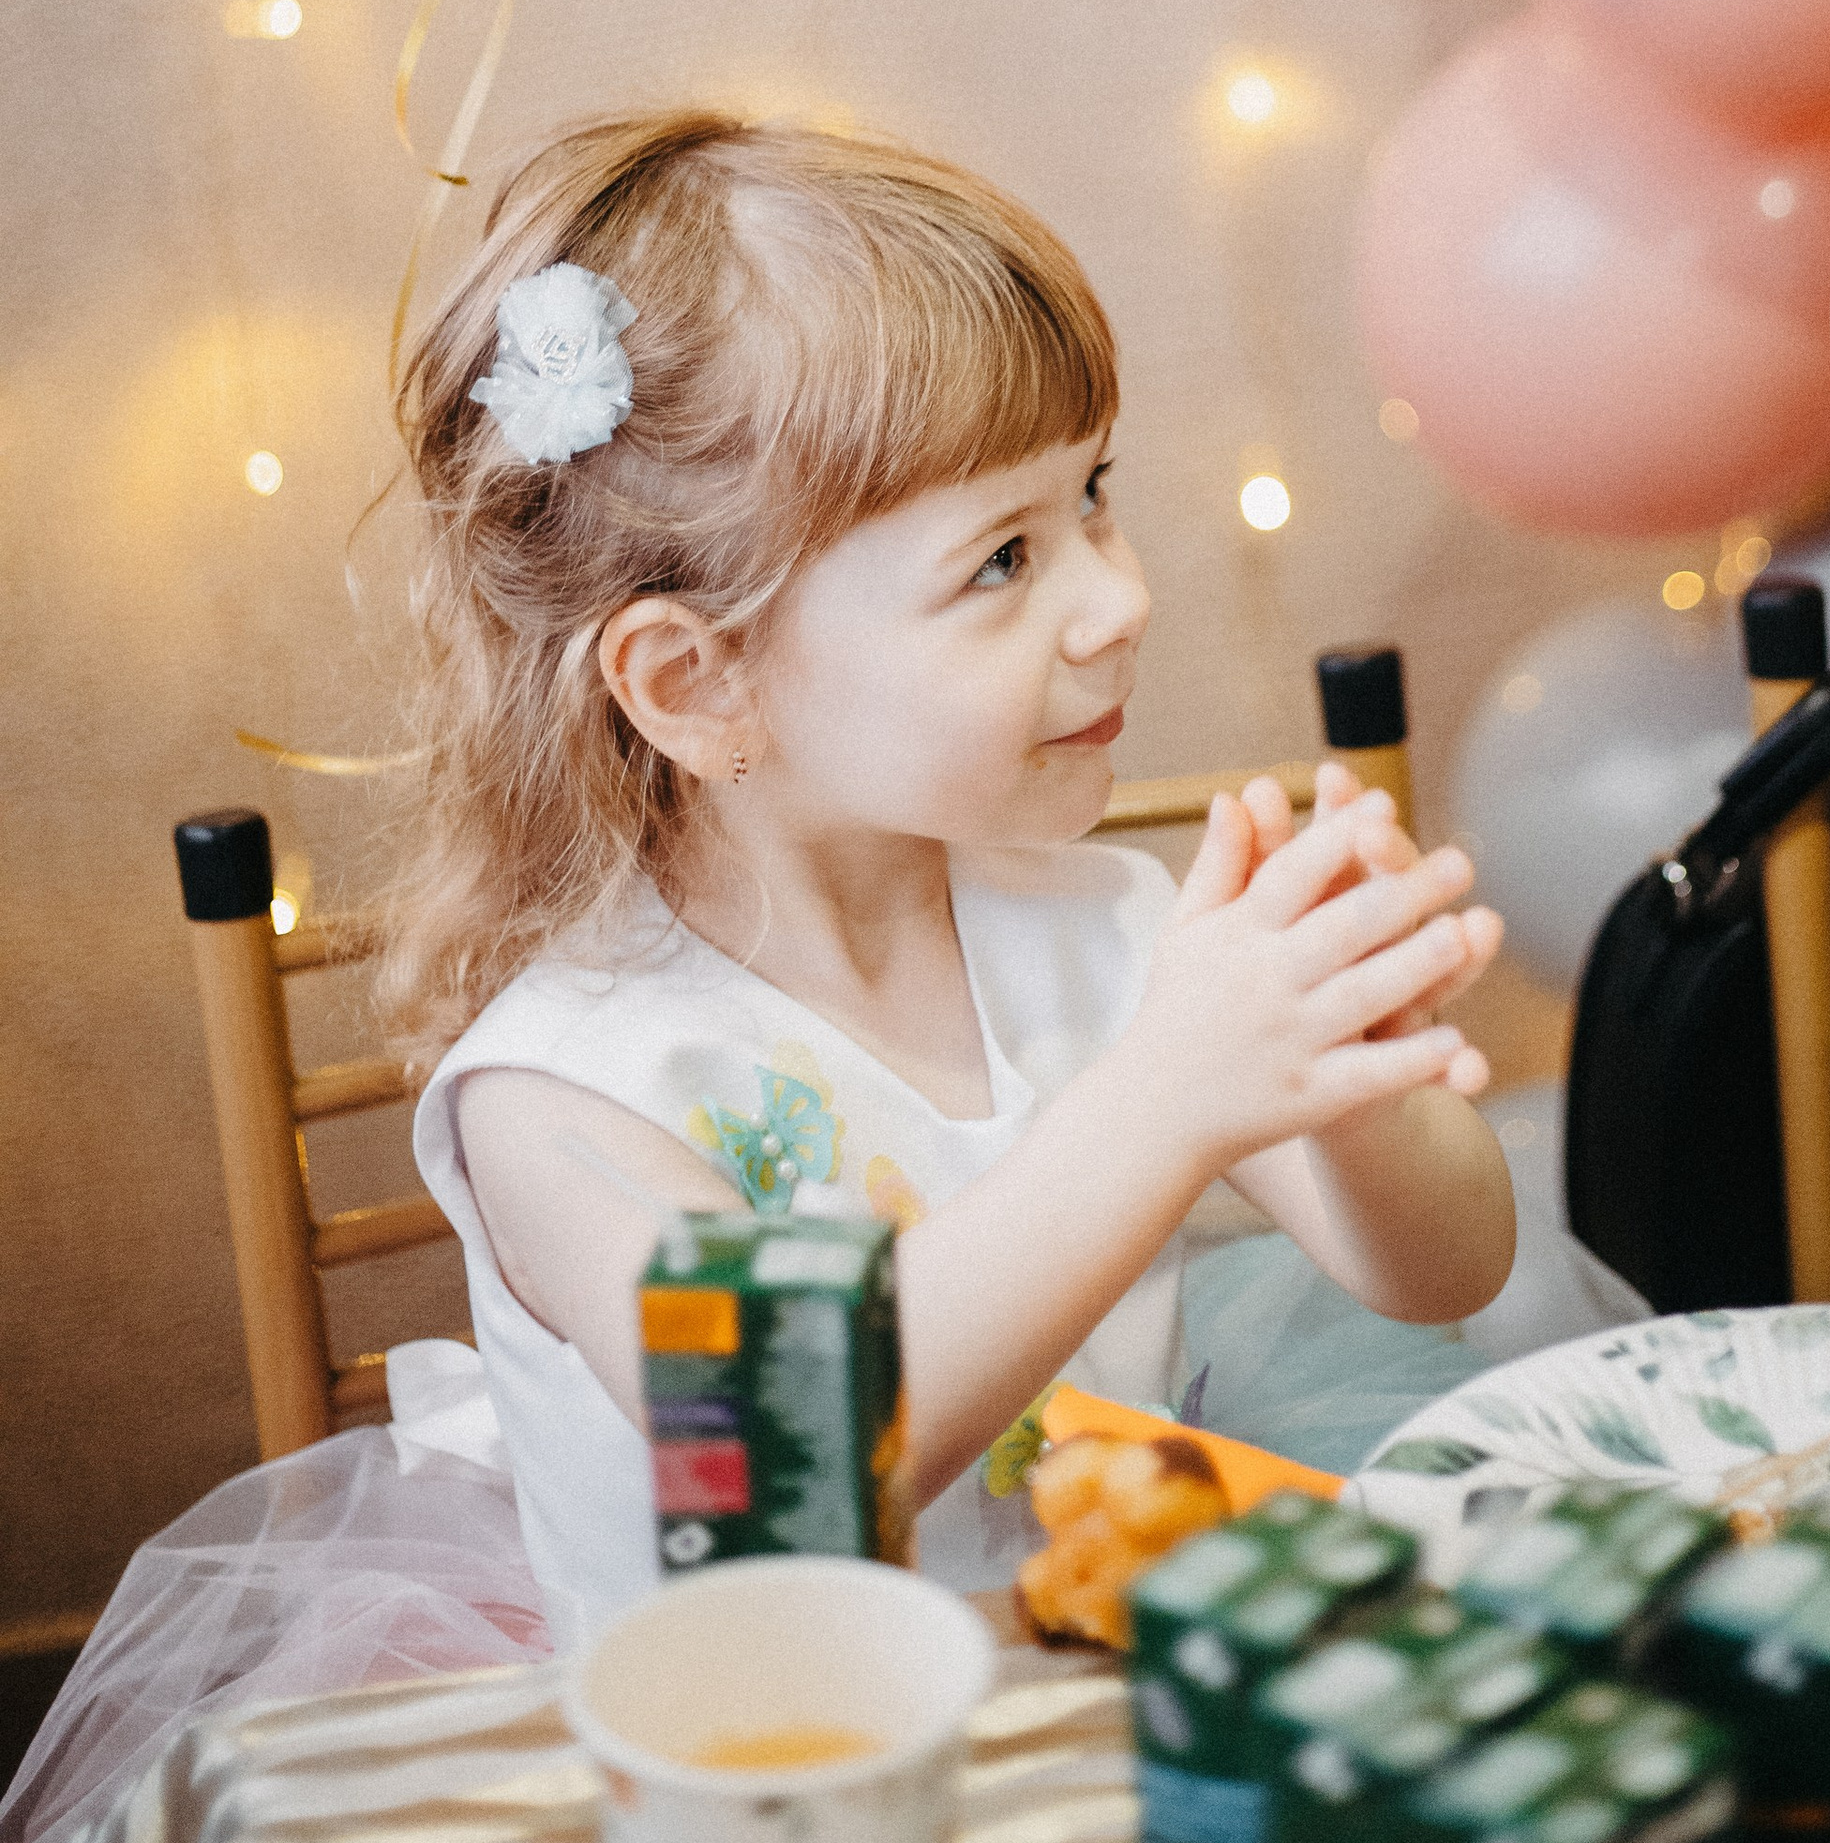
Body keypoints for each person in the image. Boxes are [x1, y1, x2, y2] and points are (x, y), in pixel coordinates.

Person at [383, 111, 1519, 1636]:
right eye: (1001, 559)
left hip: (1098, 1682)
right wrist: (1167, 1097)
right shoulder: (567, 1095)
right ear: (700, 682)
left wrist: (1353, 1083)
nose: (1119, 600)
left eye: (1094, 494)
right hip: (782, 1748)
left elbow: (1446, 1278)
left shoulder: (1099, 928)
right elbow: (785, 1465)